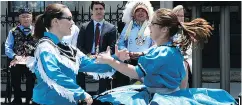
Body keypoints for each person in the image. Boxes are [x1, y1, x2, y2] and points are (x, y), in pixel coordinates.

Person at [93, 8, 236, 105]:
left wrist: (110, 60)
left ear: (164, 29)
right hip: (170, 97)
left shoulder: (161, 52)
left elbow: (136, 73)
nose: (149, 26)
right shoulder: (172, 50)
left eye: (152, 23)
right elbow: (184, 77)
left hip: (160, 99)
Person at [27, 3, 117, 105]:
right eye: (69, 18)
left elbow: (92, 64)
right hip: (46, 102)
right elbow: (53, 74)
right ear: (55, 21)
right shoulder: (45, 47)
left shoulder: (69, 48)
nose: (73, 23)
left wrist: (116, 59)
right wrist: (81, 93)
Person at [76, 1, 117, 94]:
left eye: (101, 9)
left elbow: (112, 47)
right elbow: (79, 46)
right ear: (92, 11)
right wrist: (89, 55)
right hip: (87, 58)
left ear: (104, 10)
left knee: (104, 80)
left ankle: (101, 98)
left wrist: (102, 56)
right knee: (79, 71)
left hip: (103, 59)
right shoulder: (84, 27)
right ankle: (83, 98)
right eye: (96, 9)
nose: (98, 11)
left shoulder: (111, 28)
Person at [115, 1, 154, 87]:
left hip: (146, 62)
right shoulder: (128, 26)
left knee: (144, 88)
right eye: (138, 10)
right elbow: (121, 42)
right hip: (129, 61)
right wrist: (126, 52)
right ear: (133, 14)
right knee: (130, 88)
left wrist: (143, 54)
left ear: (147, 14)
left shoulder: (151, 27)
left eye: (143, 11)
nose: (140, 13)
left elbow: (155, 45)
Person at [5, 7, 36, 105]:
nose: (26, 19)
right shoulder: (13, 31)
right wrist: (14, 56)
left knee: (31, 81)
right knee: (15, 80)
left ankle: (29, 99)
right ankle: (17, 99)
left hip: (31, 61)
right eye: (23, 17)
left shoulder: (37, 31)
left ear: (31, 18)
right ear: (19, 18)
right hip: (17, 61)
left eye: (28, 17)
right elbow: (8, 47)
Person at [172, 5, 192, 88]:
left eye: (182, 16)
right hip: (171, 57)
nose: (181, 18)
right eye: (178, 15)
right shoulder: (169, 30)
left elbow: (190, 48)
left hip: (186, 58)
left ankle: (183, 92)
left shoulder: (187, 30)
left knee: (184, 65)